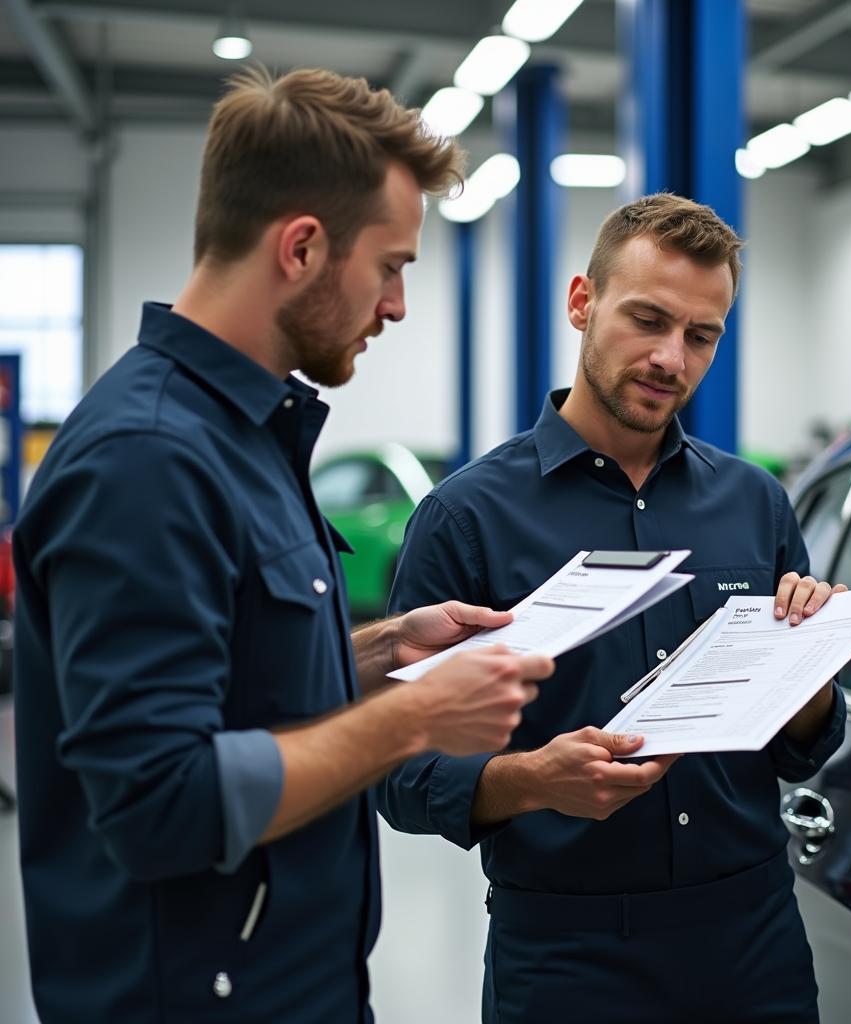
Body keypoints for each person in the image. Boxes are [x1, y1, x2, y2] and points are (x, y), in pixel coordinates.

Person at [13, 67, 553, 1024]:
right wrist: (417, 719)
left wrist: (381, 654)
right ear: (302, 247)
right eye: (390, 266)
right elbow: (160, 801)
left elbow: (225, 684)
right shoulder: (148, 460)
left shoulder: (242, 436)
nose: (395, 306)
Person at [383, 193, 848, 1023]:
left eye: (701, 336)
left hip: (754, 940)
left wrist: (811, 675)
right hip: (568, 952)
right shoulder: (468, 518)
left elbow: (799, 752)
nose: (671, 357)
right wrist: (530, 782)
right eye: (647, 320)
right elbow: (399, 771)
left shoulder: (755, 505)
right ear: (580, 303)